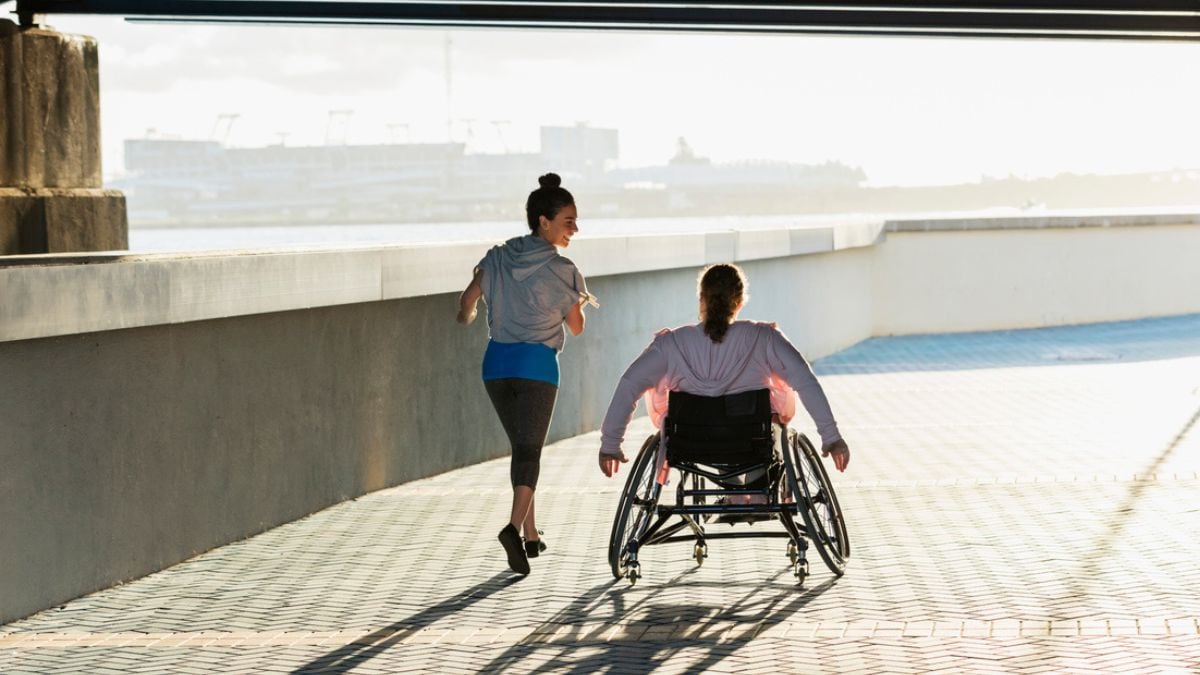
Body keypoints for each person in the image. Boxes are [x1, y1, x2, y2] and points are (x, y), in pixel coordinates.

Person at [597, 263, 849, 481]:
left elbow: (630, 384)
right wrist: (831, 437)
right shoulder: (763, 338)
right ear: (739, 303)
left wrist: (610, 444)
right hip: (751, 441)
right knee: (773, 425)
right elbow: (805, 380)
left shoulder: (671, 345)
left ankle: (735, 490)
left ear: (701, 300)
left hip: (689, 443)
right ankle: (751, 490)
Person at [457, 172, 590, 576]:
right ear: (543, 221)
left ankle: (531, 535)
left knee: (522, 448)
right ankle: (513, 529)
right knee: (530, 450)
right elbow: (577, 326)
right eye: (568, 221)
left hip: (496, 365)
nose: (575, 229)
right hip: (536, 367)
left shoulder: (497, 257)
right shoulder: (562, 269)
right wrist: (568, 301)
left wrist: (474, 313)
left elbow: (466, 304)